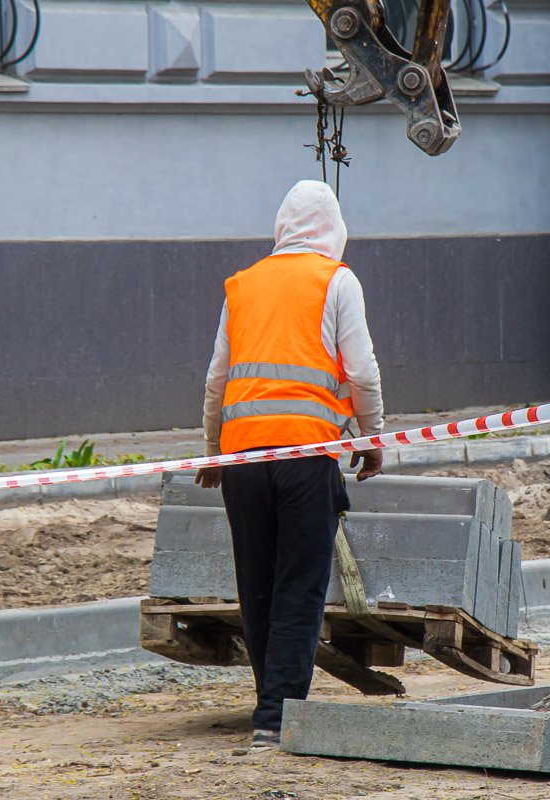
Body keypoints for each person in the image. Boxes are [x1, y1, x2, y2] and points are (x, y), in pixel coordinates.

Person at [195, 179, 385, 752]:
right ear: (332, 227)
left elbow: (216, 381)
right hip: (306, 455)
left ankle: (267, 708)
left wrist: (213, 454)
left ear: (282, 227)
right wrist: (372, 441)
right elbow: (364, 373)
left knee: (256, 585)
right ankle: (277, 717)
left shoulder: (242, 285)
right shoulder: (337, 280)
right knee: (299, 587)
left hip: (244, 460)